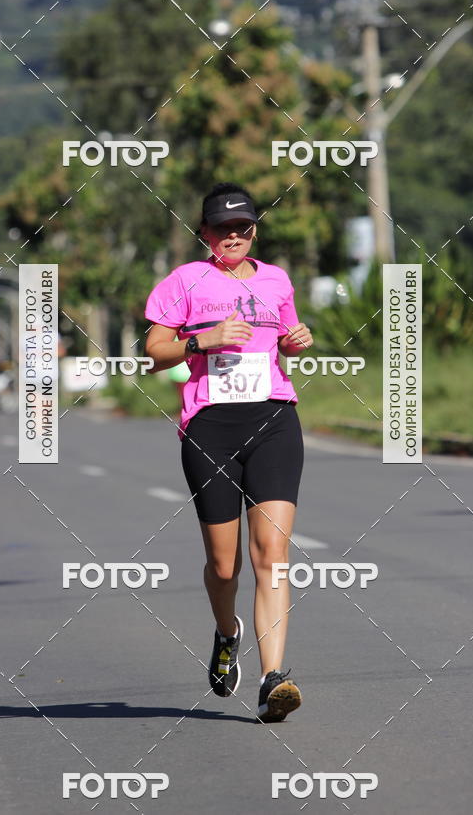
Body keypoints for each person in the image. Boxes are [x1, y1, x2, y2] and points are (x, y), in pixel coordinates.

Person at [144, 182, 313, 723]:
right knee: (225, 563)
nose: (233, 236)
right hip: (210, 427)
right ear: (206, 234)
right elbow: (153, 353)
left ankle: (273, 679)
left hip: (274, 419)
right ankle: (226, 632)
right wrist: (204, 339)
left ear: (254, 230)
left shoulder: (276, 280)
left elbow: (283, 335)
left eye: (243, 227)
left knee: (273, 555)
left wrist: (293, 341)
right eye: (222, 229)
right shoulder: (185, 281)